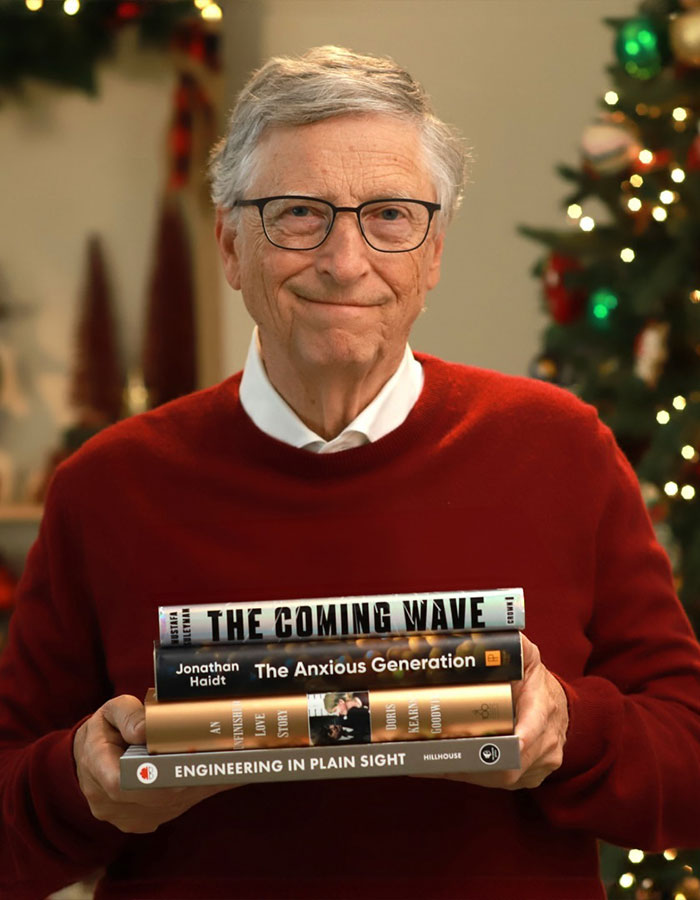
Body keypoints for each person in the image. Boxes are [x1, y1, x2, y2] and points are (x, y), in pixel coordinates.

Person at [1, 45, 700, 900]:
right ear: (230, 244)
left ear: (433, 253)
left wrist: (572, 728)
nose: (344, 260)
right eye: (298, 214)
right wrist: (79, 780)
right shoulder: (107, 488)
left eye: (390, 216)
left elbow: (688, 763)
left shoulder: (561, 451)